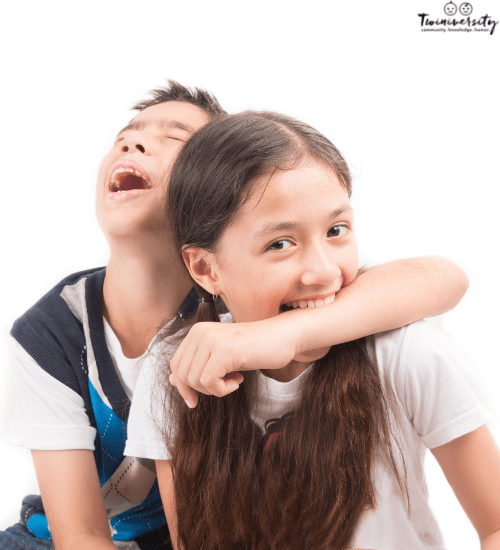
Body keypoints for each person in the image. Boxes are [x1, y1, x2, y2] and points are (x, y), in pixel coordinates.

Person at [2, 80, 467, 550]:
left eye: (175, 139)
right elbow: (79, 534)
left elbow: (440, 279)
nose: (133, 142)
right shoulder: (49, 333)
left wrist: (284, 333)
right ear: (200, 265)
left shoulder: (251, 288)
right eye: (127, 134)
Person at [125, 111, 500, 550]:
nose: (323, 272)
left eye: (336, 230)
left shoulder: (404, 356)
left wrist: (286, 334)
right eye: (280, 244)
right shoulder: (174, 373)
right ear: (205, 269)